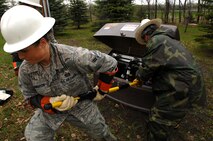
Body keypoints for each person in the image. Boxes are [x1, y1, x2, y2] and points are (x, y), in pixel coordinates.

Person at [1, 5, 117, 141]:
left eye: (24, 51)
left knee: (102, 134)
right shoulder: (25, 70)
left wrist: (101, 90)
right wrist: (48, 101)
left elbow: (109, 63)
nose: (20, 57)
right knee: (33, 137)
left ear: (43, 43)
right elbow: (30, 96)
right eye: (17, 52)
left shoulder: (74, 56)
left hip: (82, 106)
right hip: (50, 110)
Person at [134, 19, 205, 141]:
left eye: (144, 40)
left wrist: (138, 77)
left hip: (183, 87)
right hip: (190, 82)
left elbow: (147, 68)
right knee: (169, 115)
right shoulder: (168, 39)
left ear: (146, 35)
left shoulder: (156, 41)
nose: (145, 43)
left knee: (157, 121)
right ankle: (171, 121)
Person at [12, 0, 57, 76]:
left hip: (43, 55)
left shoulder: (40, 22)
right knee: (19, 72)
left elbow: (51, 40)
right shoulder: (17, 22)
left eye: (34, 8)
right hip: (20, 54)